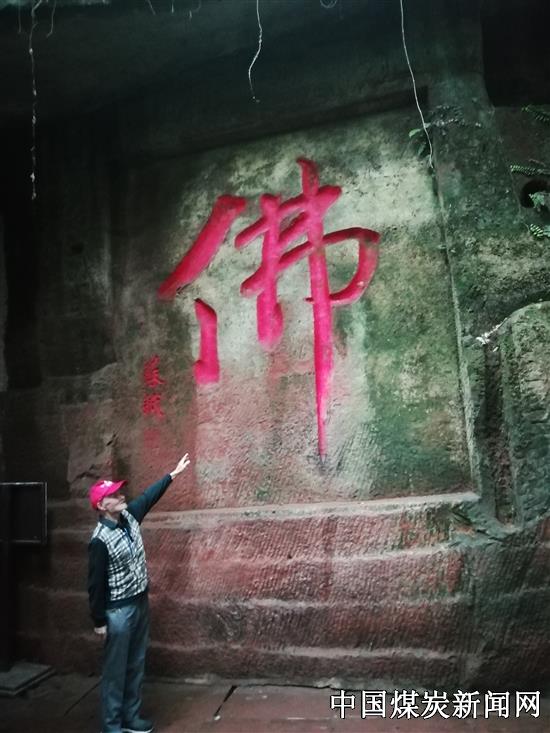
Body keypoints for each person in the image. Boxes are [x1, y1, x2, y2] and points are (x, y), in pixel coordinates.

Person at [87, 454, 191, 733]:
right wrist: (99, 621)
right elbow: (95, 583)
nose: (121, 496)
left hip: (139, 602)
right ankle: (112, 725)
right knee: (115, 670)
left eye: (119, 492)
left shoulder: (130, 516)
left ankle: (131, 717)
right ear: (101, 506)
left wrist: (173, 474)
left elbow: (149, 496)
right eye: (113, 495)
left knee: (136, 663)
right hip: (118, 611)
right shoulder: (99, 540)